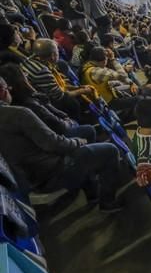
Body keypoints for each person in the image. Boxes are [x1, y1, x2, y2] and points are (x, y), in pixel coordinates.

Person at [0, 75, 122, 212]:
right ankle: (108, 202)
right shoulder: (18, 114)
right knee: (110, 151)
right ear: (3, 92)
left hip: (28, 176)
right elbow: (53, 143)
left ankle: (92, 191)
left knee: (87, 134)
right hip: (50, 173)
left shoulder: (16, 112)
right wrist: (77, 142)